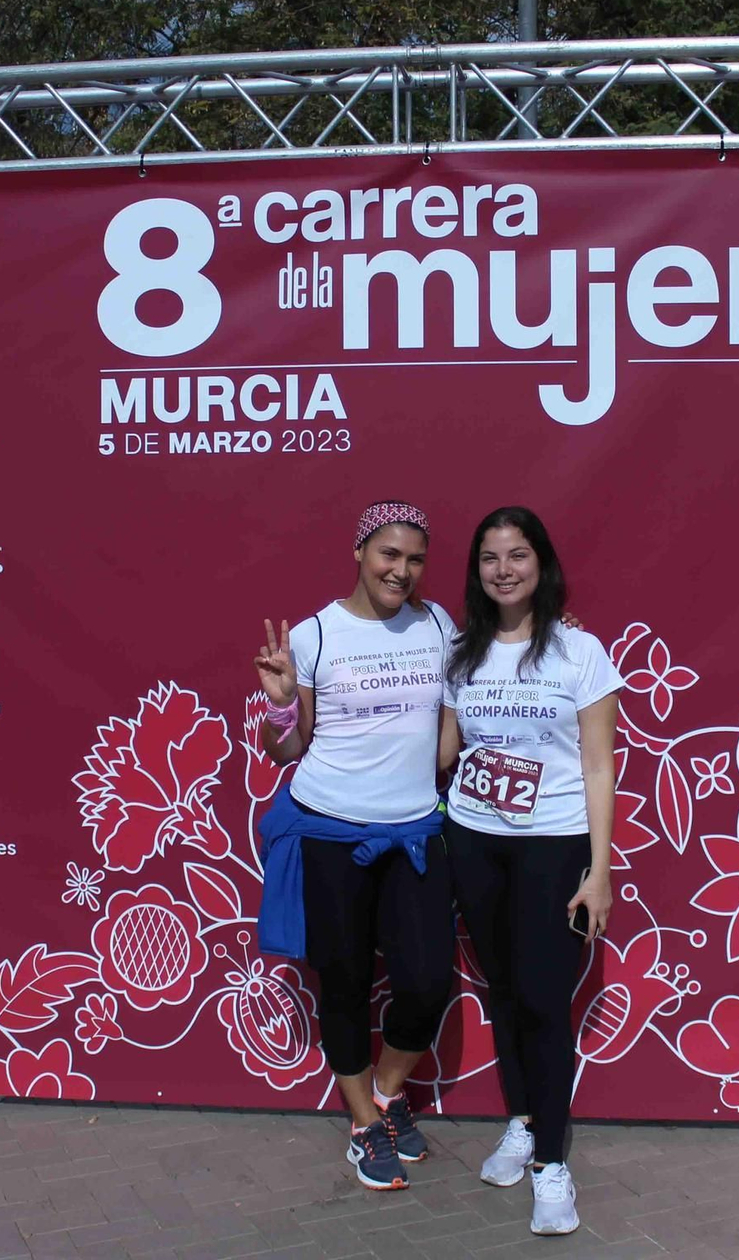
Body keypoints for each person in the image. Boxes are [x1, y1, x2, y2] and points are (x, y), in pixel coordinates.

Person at [252, 501, 454, 1191]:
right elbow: (288, 747)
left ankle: (392, 1091)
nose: (402, 570)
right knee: (344, 984)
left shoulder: (437, 624)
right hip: (331, 829)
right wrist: (280, 703)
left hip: (415, 832)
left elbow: (486, 676)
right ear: (360, 552)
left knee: (427, 983)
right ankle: (366, 1122)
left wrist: (557, 632)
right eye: (389, 554)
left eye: (416, 558)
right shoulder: (313, 634)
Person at [438, 506, 621, 1237]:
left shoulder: (579, 652)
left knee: (546, 998)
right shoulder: (462, 653)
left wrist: (599, 871)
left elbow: (600, 764)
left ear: (541, 563)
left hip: (554, 843)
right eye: (489, 557)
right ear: (477, 570)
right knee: (507, 991)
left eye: (517, 554)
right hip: (475, 840)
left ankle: (552, 1163)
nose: (503, 568)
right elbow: (446, 751)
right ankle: (520, 1119)